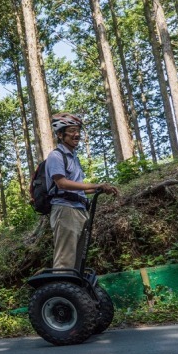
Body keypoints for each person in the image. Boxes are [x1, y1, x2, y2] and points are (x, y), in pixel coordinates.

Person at [45, 112, 119, 270]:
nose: (76, 134)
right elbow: (62, 184)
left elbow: (77, 189)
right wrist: (96, 184)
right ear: (60, 134)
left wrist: (100, 189)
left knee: (77, 263)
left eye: (78, 130)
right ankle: (61, 293)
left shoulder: (74, 158)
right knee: (65, 262)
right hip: (65, 210)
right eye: (71, 130)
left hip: (79, 209)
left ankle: (73, 292)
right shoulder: (56, 156)